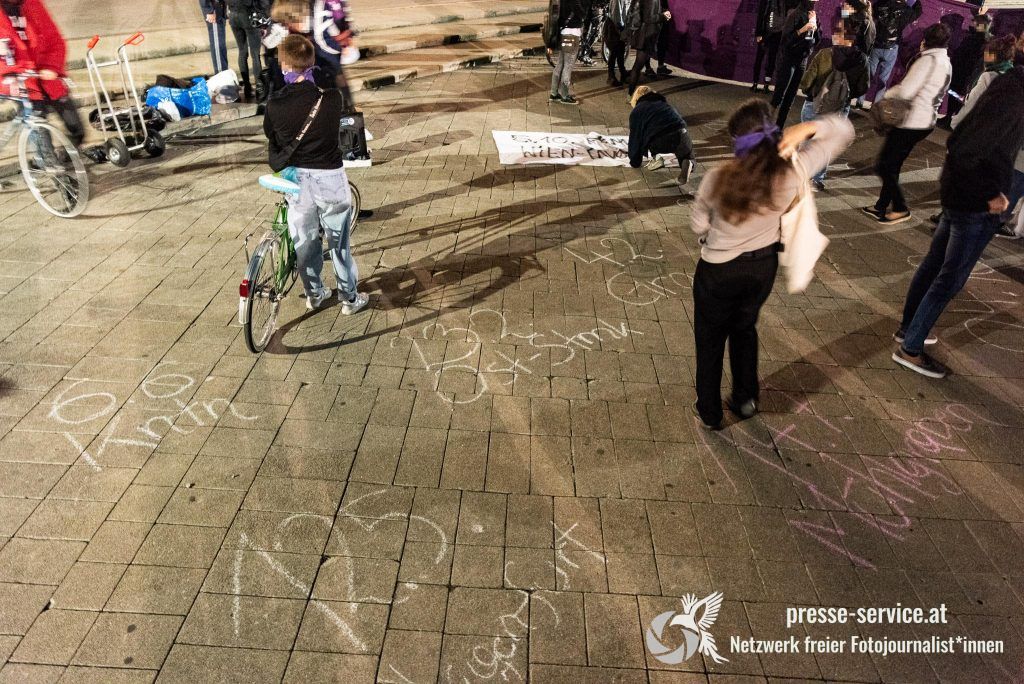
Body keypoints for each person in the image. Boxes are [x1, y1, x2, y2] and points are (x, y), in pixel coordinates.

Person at [690, 100, 854, 429]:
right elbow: (844, 130)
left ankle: (709, 410)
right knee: (744, 329)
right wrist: (808, 128)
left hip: (718, 270)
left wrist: (713, 230)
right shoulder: (792, 171)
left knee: (709, 341)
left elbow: (698, 224)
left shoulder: (718, 178)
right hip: (761, 267)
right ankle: (745, 399)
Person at [892, 55, 1024, 378]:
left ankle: (908, 328)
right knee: (951, 276)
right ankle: (910, 347)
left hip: (959, 192)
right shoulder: (1014, 97)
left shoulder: (1006, 83)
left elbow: (961, 133)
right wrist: (990, 192)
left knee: (935, 263)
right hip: (973, 199)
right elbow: (969, 146)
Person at [263, 34, 369, 316]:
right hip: (330, 179)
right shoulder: (332, 99)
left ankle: (315, 294)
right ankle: (349, 299)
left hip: (297, 182)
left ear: (284, 65)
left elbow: (272, 139)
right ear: (311, 63)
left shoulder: (274, 105)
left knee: (306, 244)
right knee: (339, 244)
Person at [865, 22, 951, 225]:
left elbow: (905, 91)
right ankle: (881, 205)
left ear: (926, 40)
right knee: (893, 163)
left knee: (884, 165)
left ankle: (900, 207)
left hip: (911, 121)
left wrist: (887, 94)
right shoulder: (945, 62)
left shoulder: (927, 60)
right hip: (927, 121)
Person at [0, 0, 84, 147]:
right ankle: (48, 166)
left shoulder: (32, 4)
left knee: (76, 127)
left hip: (46, 77)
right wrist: (10, 73)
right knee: (40, 133)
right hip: (21, 82)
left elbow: (55, 40)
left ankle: (69, 156)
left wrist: (52, 67)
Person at [798, 18, 868, 190]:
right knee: (826, 144)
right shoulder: (862, 60)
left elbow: (806, 81)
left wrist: (810, 92)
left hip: (814, 103)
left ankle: (801, 174)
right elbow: (862, 87)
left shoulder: (824, 54)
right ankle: (817, 179)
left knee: (807, 141)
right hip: (839, 108)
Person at [858, 0, 923, 108]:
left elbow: (870, 11)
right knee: (883, 80)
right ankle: (876, 106)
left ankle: (859, 102)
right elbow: (918, 11)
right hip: (892, 48)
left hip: (877, 45)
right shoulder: (906, 10)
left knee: (867, 76)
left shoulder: (881, 4)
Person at [627, 85, 695, 186]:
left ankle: (657, 158)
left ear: (636, 97)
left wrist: (635, 161)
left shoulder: (637, 110)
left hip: (660, 140)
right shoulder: (664, 104)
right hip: (682, 134)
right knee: (687, 155)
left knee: (648, 135)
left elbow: (635, 138)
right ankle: (687, 163)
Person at [770, 0, 819, 127]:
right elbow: (785, 41)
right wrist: (802, 29)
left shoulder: (813, 15)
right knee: (779, 95)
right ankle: (765, 126)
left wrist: (815, 28)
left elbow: (814, 41)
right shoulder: (794, 14)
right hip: (789, 59)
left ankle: (778, 128)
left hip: (802, 60)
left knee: (790, 97)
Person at [940, 11, 991, 127]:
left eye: (976, 22)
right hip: (961, 71)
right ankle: (949, 116)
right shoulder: (974, 37)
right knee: (954, 93)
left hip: (965, 73)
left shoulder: (982, 41)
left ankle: (951, 117)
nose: (972, 23)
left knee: (957, 95)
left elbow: (983, 61)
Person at [228, 0, 271, 101]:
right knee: (255, 54)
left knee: (242, 51)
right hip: (249, 15)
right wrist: (264, 22)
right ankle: (259, 90)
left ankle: (247, 88)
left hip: (233, 14)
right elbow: (263, 2)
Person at [548, 0, 586, 104]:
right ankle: (564, 96)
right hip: (572, 34)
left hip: (563, 32)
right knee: (567, 65)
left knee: (560, 64)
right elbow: (582, 13)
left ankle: (554, 93)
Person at [625, 0, 667, 94]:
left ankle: (630, 94)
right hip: (646, 37)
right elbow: (648, 18)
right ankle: (630, 95)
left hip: (645, 35)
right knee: (637, 66)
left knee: (638, 65)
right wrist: (663, 16)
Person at [751, 0, 789, 92]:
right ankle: (760, 84)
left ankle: (762, 85)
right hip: (771, 32)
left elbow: (762, 14)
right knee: (765, 58)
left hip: (773, 33)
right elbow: (761, 15)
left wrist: (759, 33)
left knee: (768, 58)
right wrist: (759, 33)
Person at [605, 0, 631, 86]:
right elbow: (617, 16)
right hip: (615, 27)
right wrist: (622, 29)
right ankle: (611, 76)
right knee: (615, 51)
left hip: (620, 26)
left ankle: (622, 72)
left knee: (620, 51)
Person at [200, 0, 229, 73]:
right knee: (218, 45)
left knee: (221, 45)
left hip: (220, 10)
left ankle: (224, 72)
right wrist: (209, 10)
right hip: (214, 11)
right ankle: (220, 73)